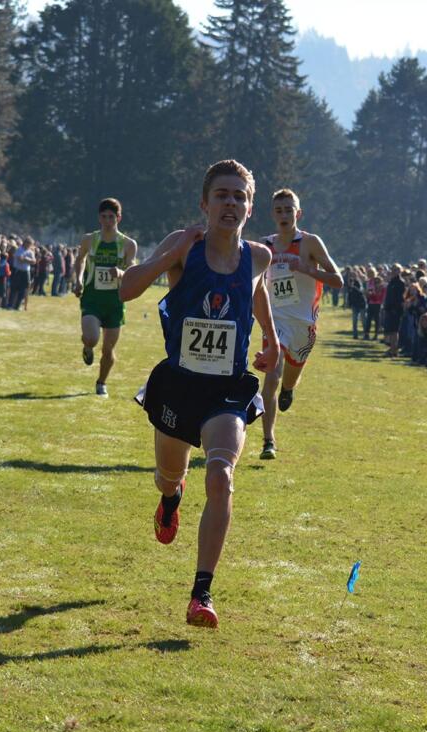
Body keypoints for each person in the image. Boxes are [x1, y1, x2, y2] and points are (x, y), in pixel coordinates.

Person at [120, 159, 278, 629]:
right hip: (179, 384)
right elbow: (128, 289)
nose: (231, 204)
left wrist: (269, 338)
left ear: (249, 208)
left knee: (221, 476)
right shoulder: (183, 245)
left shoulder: (259, 256)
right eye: (222, 195)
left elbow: (255, 292)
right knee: (169, 475)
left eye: (240, 197)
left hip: (227, 389)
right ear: (204, 204)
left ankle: (201, 593)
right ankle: (170, 499)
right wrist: (164, 259)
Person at [257, 188, 342, 460]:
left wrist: (307, 269)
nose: (284, 215)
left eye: (289, 210)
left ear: (298, 213)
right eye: (279, 210)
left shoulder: (310, 243)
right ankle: (269, 440)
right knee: (271, 377)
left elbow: (337, 279)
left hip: (304, 325)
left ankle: (289, 390)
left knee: (288, 379)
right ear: (272, 214)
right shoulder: (264, 247)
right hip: (275, 322)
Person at [73, 198, 137, 397]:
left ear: (118, 218)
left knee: (108, 350)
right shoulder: (89, 239)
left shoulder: (127, 244)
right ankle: (86, 346)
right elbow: (80, 260)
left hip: (115, 302)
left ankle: (101, 382)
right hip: (92, 298)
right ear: (99, 218)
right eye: (104, 217)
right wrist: (78, 280)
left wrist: (120, 272)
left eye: (111, 217)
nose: (107, 221)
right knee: (92, 338)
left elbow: (132, 269)